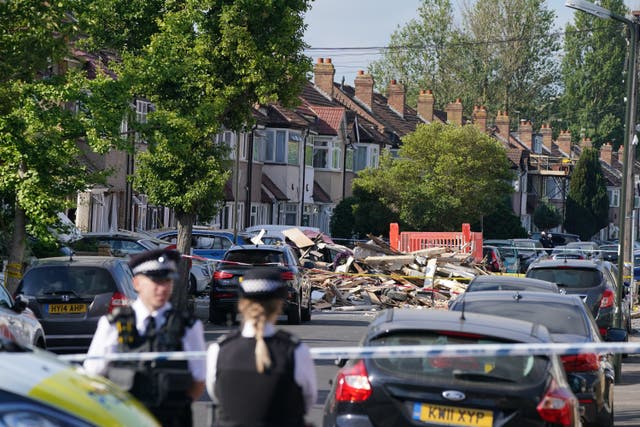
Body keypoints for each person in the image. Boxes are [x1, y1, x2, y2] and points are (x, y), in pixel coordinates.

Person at [84, 248, 206, 427]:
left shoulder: (189, 326)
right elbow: (93, 375)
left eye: (167, 281)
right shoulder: (113, 324)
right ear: (137, 283)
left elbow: (198, 381)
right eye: (156, 281)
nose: (163, 288)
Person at [206, 267, 317, 427]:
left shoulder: (219, 350)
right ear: (279, 305)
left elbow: (217, 395)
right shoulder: (295, 351)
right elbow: (307, 401)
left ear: (242, 303)